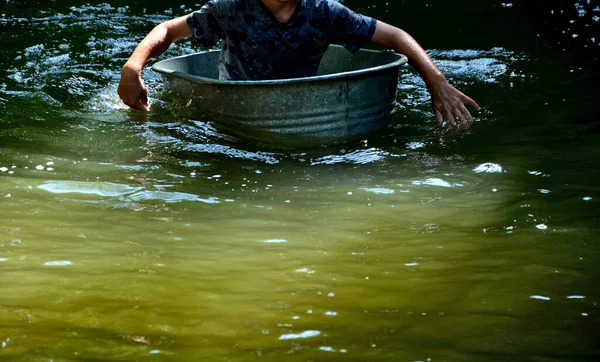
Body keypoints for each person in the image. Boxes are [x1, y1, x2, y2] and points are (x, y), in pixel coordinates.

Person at [118, 0, 480, 128]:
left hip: (303, 107)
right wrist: (133, 68)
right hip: (235, 114)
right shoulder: (232, 9)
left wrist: (437, 82)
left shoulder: (323, 11)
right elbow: (168, 29)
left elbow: (396, 37)